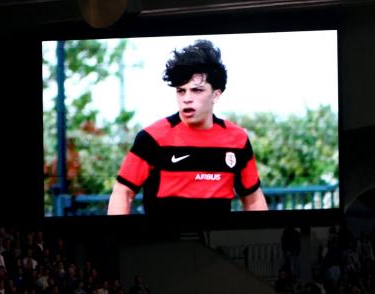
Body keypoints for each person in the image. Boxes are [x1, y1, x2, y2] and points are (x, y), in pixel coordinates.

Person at [108, 39, 268, 218]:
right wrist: (116, 238)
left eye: (196, 90)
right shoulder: (152, 137)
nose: (187, 98)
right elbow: (123, 192)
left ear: (216, 94)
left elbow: (253, 198)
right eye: (181, 91)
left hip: (215, 243)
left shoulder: (237, 139)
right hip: (163, 242)